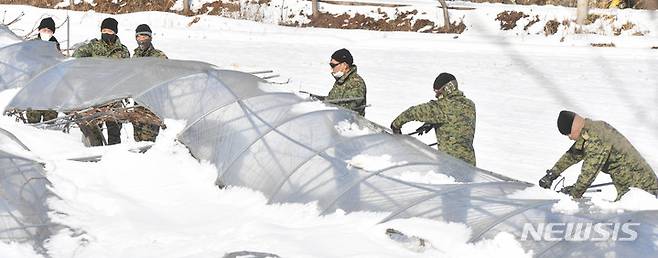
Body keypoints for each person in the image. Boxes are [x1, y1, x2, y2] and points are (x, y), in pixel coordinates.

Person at [539, 110, 658, 201]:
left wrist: (573, 195)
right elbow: (572, 155)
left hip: (641, 186)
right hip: (628, 181)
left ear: (574, 128)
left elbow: (589, 173)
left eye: (568, 134)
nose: (570, 138)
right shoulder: (590, 129)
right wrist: (552, 174)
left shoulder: (597, 137)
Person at [390, 73, 476, 166]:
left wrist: (396, 125)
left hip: (450, 167)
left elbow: (412, 112)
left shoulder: (441, 107)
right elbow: (456, 119)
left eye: (438, 92)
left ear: (447, 89)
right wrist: (432, 122)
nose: (436, 96)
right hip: (469, 166)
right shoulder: (469, 105)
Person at [72, 17, 130, 146]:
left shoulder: (123, 50)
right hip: (95, 95)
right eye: (104, 30)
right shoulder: (93, 46)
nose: (106, 33)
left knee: (114, 129)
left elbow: (127, 71)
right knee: (94, 129)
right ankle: (96, 156)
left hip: (114, 96)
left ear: (115, 32)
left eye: (109, 31)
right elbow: (75, 58)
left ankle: (114, 155)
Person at [131, 24, 167, 142]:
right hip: (137, 102)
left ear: (150, 38)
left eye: (145, 36)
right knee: (137, 138)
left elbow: (166, 77)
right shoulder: (134, 56)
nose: (142, 39)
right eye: (139, 37)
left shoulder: (159, 56)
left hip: (153, 104)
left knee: (148, 139)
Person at [25, 17, 61, 124]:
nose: (46, 32)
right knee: (33, 124)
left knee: (49, 125)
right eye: (44, 30)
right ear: (39, 30)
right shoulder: (31, 45)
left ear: (52, 32)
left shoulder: (56, 46)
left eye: (49, 31)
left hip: (51, 92)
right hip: (34, 90)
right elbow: (20, 58)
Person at [314, 48, 366, 116]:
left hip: (348, 124)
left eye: (333, 65)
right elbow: (332, 100)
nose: (331, 69)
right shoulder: (341, 80)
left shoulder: (356, 84)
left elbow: (346, 111)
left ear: (344, 65)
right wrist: (315, 100)